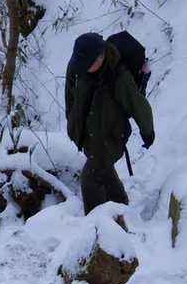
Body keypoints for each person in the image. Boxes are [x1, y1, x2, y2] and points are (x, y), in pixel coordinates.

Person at [65, 31, 155, 214]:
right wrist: (73, 123)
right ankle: (120, 205)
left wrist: (148, 133)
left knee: (90, 178)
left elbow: (138, 104)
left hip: (110, 137)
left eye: (87, 65)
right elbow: (70, 96)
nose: (82, 68)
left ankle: (96, 223)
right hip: (87, 134)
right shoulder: (78, 66)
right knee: (103, 171)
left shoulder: (118, 76)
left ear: (101, 57)